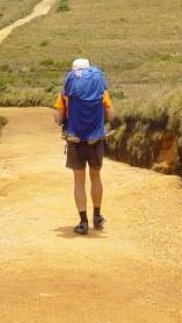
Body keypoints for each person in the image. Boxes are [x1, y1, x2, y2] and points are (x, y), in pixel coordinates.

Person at [53, 58, 114, 235]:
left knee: (79, 182)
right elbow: (110, 115)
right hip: (96, 140)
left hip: (75, 140)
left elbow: (58, 118)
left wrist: (60, 118)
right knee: (96, 177)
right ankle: (97, 217)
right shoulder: (100, 89)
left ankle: (83, 222)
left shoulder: (65, 91)